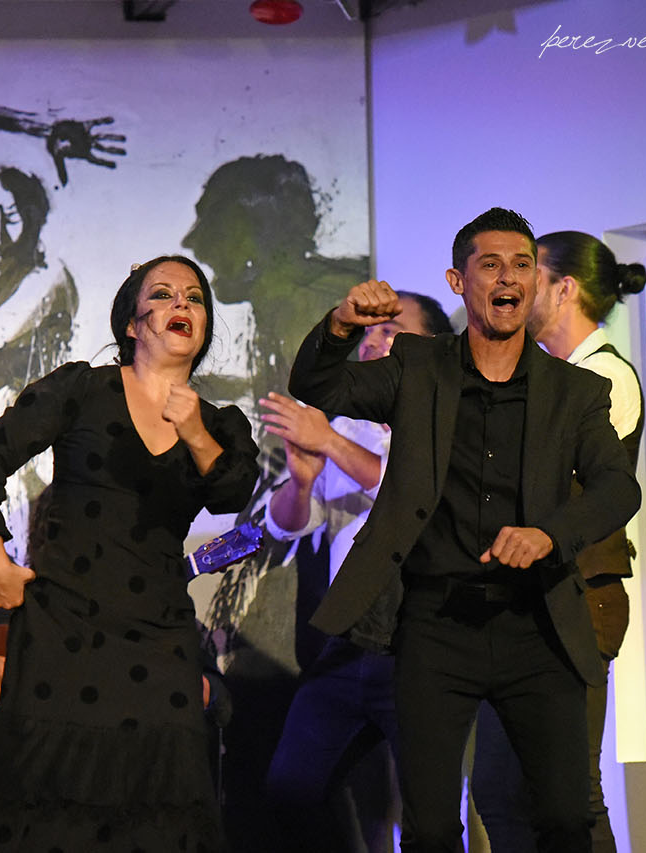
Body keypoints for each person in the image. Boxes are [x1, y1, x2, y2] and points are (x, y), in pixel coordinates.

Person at [287, 208, 641, 853]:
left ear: (536, 283)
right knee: (429, 827)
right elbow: (318, 384)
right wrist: (340, 327)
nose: (508, 278)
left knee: (563, 815)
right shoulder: (417, 368)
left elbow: (619, 488)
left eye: (522, 265)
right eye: (490, 264)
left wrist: (549, 535)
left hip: (536, 624)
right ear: (458, 281)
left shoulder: (576, 390)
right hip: (435, 626)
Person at [0, 256, 260, 851]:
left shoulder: (219, 425)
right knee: (51, 819)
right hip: (64, 636)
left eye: (194, 298)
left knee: (155, 822)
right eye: (164, 295)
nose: (182, 306)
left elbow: (232, 492)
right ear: (133, 325)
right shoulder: (81, 390)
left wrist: (194, 431)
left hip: (158, 641)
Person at [472, 232, 646, 852]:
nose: (512, 289)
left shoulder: (604, 379)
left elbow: (578, 492)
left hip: (574, 602)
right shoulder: (552, 378)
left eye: (530, 274)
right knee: (498, 787)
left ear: (564, 288)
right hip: (523, 607)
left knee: (572, 792)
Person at [261, 293, 452, 851]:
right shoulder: (349, 427)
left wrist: (329, 441)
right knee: (291, 788)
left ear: (433, 349)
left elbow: (412, 497)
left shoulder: (447, 419)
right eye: (368, 332)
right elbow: (287, 527)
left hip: (419, 640)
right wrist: (299, 481)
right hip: (347, 641)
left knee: (430, 811)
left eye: (390, 330)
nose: (372, 340)